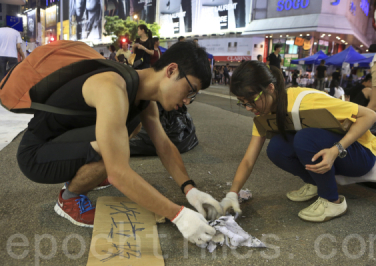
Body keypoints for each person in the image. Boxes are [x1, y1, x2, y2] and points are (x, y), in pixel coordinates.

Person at [16, 41, 222, 245]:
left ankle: (90, 174)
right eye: (190, 90)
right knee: (115, 147)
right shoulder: (113, 87)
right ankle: (69, 198)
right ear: (171, 70)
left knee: (130, 127)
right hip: (36, 155)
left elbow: (164, 145)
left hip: (62, 142)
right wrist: (179, 216)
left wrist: (191, 191)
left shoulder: (143, 96)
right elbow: (118, 173)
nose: (187, 101)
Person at [220, 61, 376, 222]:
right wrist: (232, 194)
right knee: (276, 148)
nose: (248, 108)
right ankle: (317, 183)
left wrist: (336, 149)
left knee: (304, 139)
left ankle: (332, 201)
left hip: (360, 153)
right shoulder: (264, 114)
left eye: (251, 100)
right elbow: (248, 160)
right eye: (243, 102)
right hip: (332, 150)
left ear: (270, 88)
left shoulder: (306, 101)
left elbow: (370, 115)